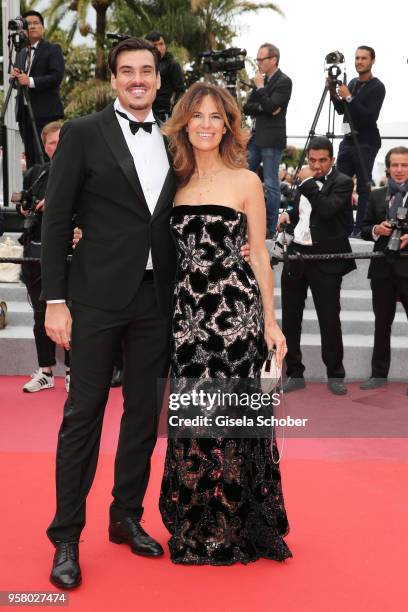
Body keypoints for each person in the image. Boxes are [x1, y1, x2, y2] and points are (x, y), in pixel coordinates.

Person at [41, 38, 250, 588]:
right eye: (127, 71)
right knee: (82, 417)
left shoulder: (174, 141)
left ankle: (125, 515)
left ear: (159, 81)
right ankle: (66, 535)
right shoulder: (84, 133)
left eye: (147, 71)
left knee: (142, 417)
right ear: (113, 79)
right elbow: (57, 219)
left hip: (160, 301)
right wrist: (55, 301)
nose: (138, 79)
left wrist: (240, 245)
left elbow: (203, 203)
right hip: (93, 299)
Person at [158, 82, 291, 565]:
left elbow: (258, 255)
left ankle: (236, 525)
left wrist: (271, 325)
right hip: (188, 321)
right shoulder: (171, 182)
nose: (207, 125)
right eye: (199, 116)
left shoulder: (246, 181)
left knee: (233, 423)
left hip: (236, 316)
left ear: (229, 126)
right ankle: (198, 525)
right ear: (184, 123)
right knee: (195, 421)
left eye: (217, 117)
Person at [277, 137, 356, 395]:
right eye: (312, 160)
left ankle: (335, 374)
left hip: (326, 260)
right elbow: (305, 215)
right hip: (297, 255)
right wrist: (289, 218)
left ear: (332, 160)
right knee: (290, 318)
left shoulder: (342, 183)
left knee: (329, 319)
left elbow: (327, 210)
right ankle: (294, 373)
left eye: (322, 160)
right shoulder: (305, 182)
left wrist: (309, 183)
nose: (316, 165)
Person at [17, 121, 70, 393]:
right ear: (45, 145)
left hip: (70, 255)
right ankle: (46, 370)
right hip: (35, 253)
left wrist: (57, 203)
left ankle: (73, 371)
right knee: (40, 315)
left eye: (61, 141)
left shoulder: (80, 172)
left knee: (72, 313)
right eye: (51, 142)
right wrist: (25, 209)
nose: (56, 147)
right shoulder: (36, 174)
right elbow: (23, 207)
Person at [360, 146, 408, 391]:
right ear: (388, 168)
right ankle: (378, 374)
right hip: (381, 268)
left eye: (404, 165)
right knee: (382, 323)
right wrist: (376, 230)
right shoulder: (377, 195)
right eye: (395, 165)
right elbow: (363, 228)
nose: (399, 170)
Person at [330, 46, 385, 237]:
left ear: (372, 61)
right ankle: (344, 226)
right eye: (356, 58)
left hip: (366, 141)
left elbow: (369, 116)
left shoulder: (377, 86)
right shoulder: (352, 82)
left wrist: (350, 97)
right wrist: (332, 90)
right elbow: (341, 109)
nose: (359, 61)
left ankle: (360, 228)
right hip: (347, 141)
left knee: (363, 186)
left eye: (363, 58)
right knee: (341, 185)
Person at [243, 43, 292, 237]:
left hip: (271, 139)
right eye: (257, 59)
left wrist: (262, 91)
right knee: (244, 177)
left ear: (273, 60)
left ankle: (271, 228)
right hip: (255, 138)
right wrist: (265, 105)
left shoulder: (284, 81)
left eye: (261, 59)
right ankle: (243, 224)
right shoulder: (261, 80)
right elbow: (248, 108)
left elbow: (273, 107)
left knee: (271, 184)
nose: (258, 63)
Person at [11, 10, 64, 168]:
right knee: (30, 156)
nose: (32, 26)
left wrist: (30, 81)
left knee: (47, 154)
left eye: (36, 23)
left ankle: (49, 190)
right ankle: (32, 189)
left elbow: (56, 77)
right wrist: (14, 79)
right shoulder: (20, 53)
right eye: (28, 24)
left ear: (43, 28)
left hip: (45, 112)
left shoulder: (52, 49)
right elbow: (20, 83)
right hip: (24, 113)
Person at [145, 30, 185, 122]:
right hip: (144, 112)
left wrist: (174, 113)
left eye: (161, 44)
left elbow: (180, 91)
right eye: (155, 45)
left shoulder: (173, 65)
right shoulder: (143, 64)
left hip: (164, 114)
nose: (159, 48)